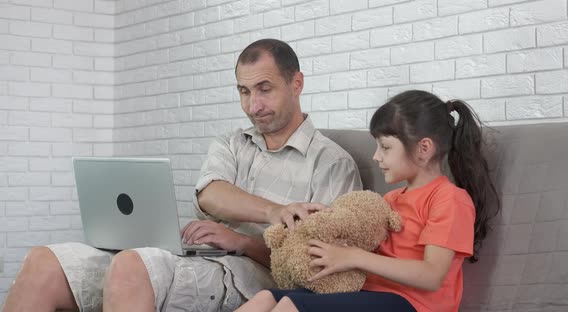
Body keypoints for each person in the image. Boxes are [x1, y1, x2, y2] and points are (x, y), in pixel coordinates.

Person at [1, 39, 362, 312]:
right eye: (244, 91)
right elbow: (210, 193)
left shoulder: (331, 164)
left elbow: (327, 272)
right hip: (192, 255)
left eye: (264, 89)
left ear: (296, 83)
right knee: (43, 260)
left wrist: (242, 241)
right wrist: (272, 212)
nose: (254, 105)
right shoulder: (232, 143)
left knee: (131, 266)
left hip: (250, 272)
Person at [236, 90, 501, 312]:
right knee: (267, 298)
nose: (376, 156)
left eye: (385, 147)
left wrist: (354, 257)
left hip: (414, 305)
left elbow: (431, 276)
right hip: (371, 294)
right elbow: (364, 239)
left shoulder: (450, 199)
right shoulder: (390, 200)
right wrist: (330, 227)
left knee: (292, 306)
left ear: (423, 148)